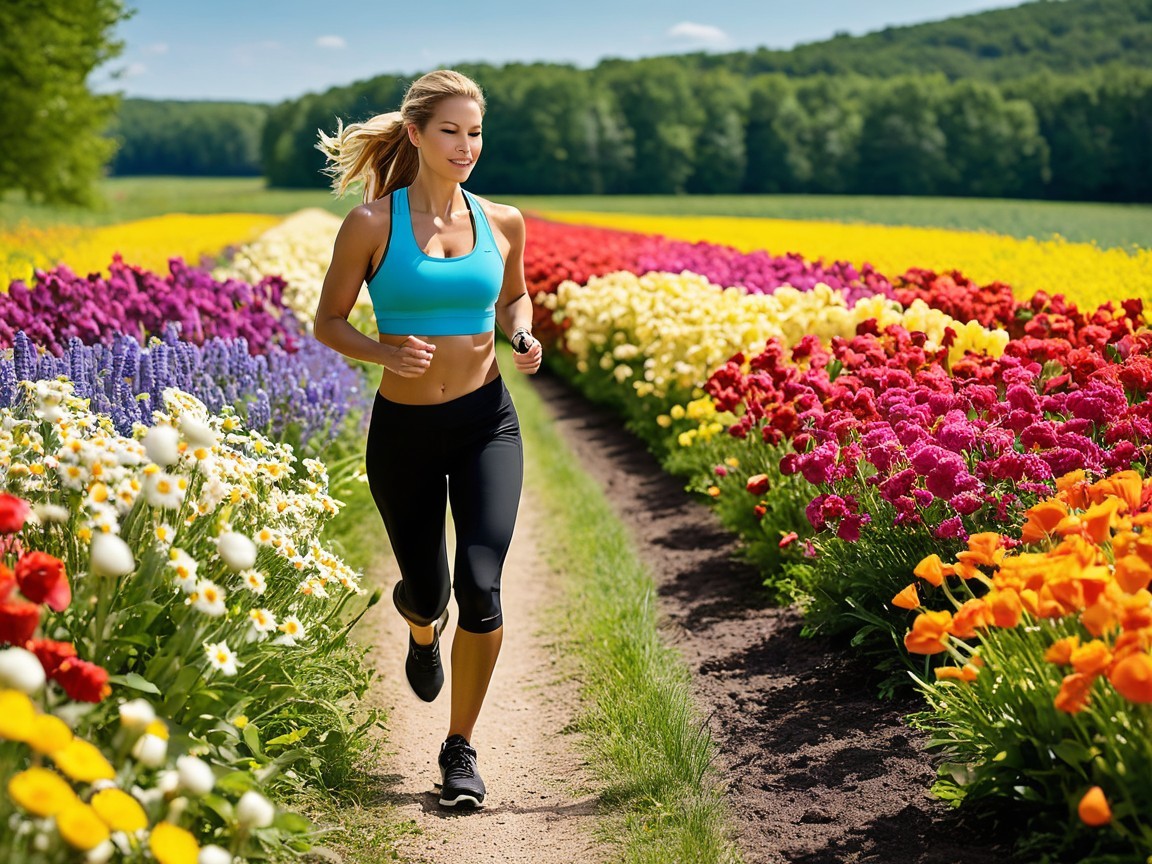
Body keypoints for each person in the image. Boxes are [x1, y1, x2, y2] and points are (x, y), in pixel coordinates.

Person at [312, 69, 542, 810]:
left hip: (486, 426)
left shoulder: (502, 220)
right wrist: (383, 352)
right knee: (431, 589)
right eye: (450, 131)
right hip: (404, 433)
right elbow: (329, 321)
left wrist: (522, 331)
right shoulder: (372, 225)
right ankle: (419, 625)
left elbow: (513, 295)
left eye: (475, 132)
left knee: (481, 587)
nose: (466, 145)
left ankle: (460, 749)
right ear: (415, 134)